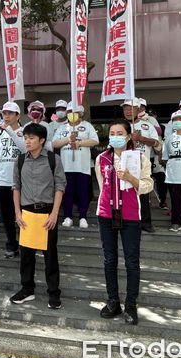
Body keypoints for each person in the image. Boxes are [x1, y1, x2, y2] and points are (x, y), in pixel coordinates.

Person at [95, 120, 154, 325]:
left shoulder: (139, 158)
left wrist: (131, 178)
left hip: (130, 215)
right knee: (109, 259)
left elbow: (148, 186)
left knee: (131, 261)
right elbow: (102, 185)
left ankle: (130, 304)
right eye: (112, 133)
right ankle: (113, 301)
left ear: (128, 136)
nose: (115, 136)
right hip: (106, 214)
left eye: (120, 132)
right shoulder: (102, 158)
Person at [10, 123, 65, 309]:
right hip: (26, 214)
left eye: (31, 138)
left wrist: (55, 214)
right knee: (26, 255)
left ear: (42, 140)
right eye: (25, 138)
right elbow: (16, 187)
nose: (27, 141)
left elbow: (60, 187)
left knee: (50, 255)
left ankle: (54, 293)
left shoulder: (53, 159)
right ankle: (27, 289)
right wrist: (17, 212)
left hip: (47, 213)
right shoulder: (20, 160)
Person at [0, 101, 26, 258]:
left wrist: (10, 131)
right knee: (7, 216)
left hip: (21, 181)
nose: (7, 116)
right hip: (2, 180)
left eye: (10, 113)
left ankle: (26, 244)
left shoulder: (25, 131)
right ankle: (11, 244)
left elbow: (24, 149)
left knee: (23, 215)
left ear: (18, 115)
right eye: (5, 113)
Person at [52, 102, 99, 229]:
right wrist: (67, 140)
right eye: (70, 112)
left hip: (82, 167)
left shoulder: (87, 126)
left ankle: (83, 217)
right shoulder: (62, 128)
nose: (72, 114)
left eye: (75, 112)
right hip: (66, 167)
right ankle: (68, 216)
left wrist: (79, 143)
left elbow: (95, 140)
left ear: (81, 114)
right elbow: (54, 143)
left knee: (83, 192)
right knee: (67, 192)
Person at [122, 98, 160, 233]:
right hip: (125, 164)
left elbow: (157, 144)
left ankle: (146, 223)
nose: (127, 111)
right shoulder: (121, 126)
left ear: (139, 110)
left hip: (143, 164)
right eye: (125, 109)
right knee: (125, 194)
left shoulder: (147, 125)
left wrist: (141, 138)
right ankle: (126, 222)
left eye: (130, 108)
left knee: (143, 194)